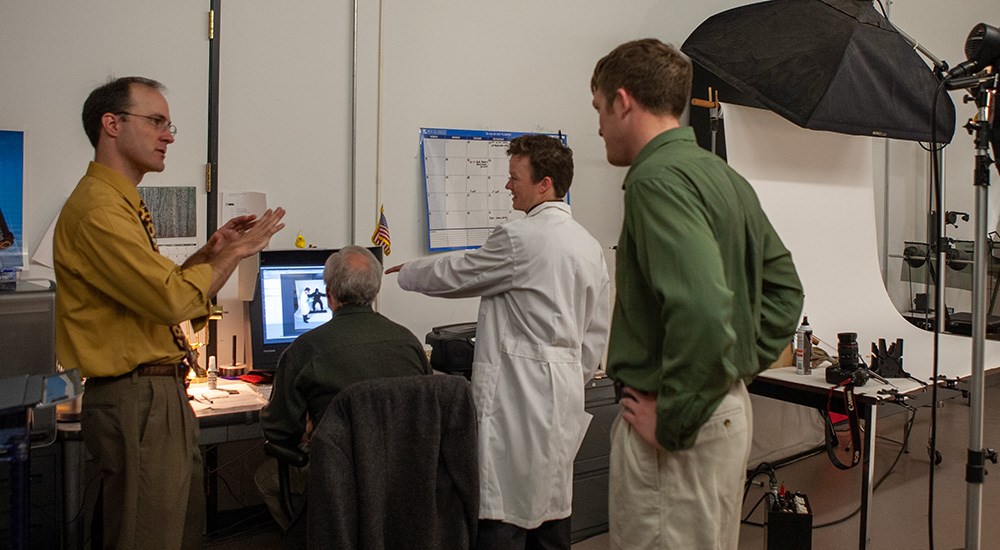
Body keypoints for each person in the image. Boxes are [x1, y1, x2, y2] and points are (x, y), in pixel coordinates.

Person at [590, 39, 804, 549]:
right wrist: (735, 367)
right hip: (722, 411)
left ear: (623, 101)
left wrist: (677, 420)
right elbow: (785, 291)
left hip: (674, 423)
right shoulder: (722, 176)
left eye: (598, 108)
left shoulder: (654, 181)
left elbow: (703, 310)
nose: (597, 125)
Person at [54, 76, 285, 548]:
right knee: (147, 536)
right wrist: (236, 253)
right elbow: (170, 300)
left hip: (157, 395)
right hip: (136, 398)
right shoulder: (99, 209)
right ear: (111, 124)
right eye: (156, 122)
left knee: (176, 532)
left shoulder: (119, 201)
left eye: (168, 123)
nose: (169, 135)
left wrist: (210, 253)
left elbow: (151, 294)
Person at [386, 134, 610, 550]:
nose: (507, 186)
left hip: (517, 395)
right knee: (551, 512)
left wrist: (408, 272)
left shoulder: (519, 237)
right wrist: (570, 379)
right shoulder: (588, 245)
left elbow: (459, 273)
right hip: (562, 393)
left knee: (503, 513)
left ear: (544, 183)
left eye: (514, 177)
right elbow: (596, 331)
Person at [258, 245, 432, 529]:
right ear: (375, 292)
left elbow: (278, 430)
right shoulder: (409, 343)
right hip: (405, 477)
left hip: (339, 478)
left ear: (329, 293)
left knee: (266, 480)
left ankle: (316, 537)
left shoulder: (304, 349)